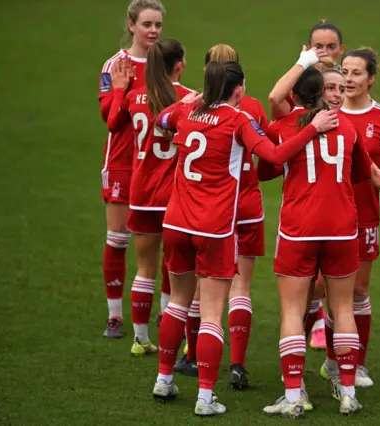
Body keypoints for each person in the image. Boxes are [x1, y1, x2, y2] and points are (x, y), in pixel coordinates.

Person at [151, 61, 339, 416]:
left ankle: (164, 378)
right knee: (210, 314)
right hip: (215, 228)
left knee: (177, 301)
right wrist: (312, 128)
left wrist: (186, 104)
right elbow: (275, 155)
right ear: (238, 91)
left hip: (176, 222)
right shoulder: (238, 120)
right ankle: (205, 399)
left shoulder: (185, 112)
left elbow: (162, 122)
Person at [259, 67, 380, 417]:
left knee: (293, 310)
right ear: (324, 93)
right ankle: (347, 392)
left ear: (296, 95)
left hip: (299, 229)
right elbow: (368, 173)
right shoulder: (349, 128)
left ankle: (294, 394)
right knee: (343, 308)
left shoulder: (284, 126)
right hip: (343, 229)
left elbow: (262, 168)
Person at [173, 44, 269, 390]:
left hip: (211, 209)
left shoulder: (194, 109)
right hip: (248, 205)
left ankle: (192, 354)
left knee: (201, 288)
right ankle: (238, 363)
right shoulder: (254, 108)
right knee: (241, 287)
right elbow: (270, 156)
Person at [320, 48, 380, 387]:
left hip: (365, 217)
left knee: (358, 290)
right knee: (322, 290)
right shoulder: (325, 114)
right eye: (344, 71)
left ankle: (351, 364)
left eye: (357, 73)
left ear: (371, 78)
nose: (348, 79)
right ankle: (327, 357)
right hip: (326, 217)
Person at [106, 39, 194, 355]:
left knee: (145, 268)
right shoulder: (188, 99)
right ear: (179, 65)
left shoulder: (134, 97)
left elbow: (113, 123)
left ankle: (140, 339)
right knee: (176, 268)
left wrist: (118, 90)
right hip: (174, 196)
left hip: (141, 193)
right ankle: (173, 334)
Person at [98, 0, 165, 339]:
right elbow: (108, 118)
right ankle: (115, 316)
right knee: (118, 238)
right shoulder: (115, 65)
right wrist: (122, 90)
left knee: (164, 239)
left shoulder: (164, 62)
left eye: (158, 25)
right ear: (131, 25)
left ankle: (167, 312)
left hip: (157, 165)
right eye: (147, 24)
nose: (153, 31)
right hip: (123, 162)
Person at [268, 20, 344, 120]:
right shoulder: (298, 83)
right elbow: (275, 102)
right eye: (318, 46)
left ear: (341, 49)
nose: (325, 52)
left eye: (331, 47)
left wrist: (333, 69)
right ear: (309, 49)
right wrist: (303, 62)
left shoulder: (351, 83)